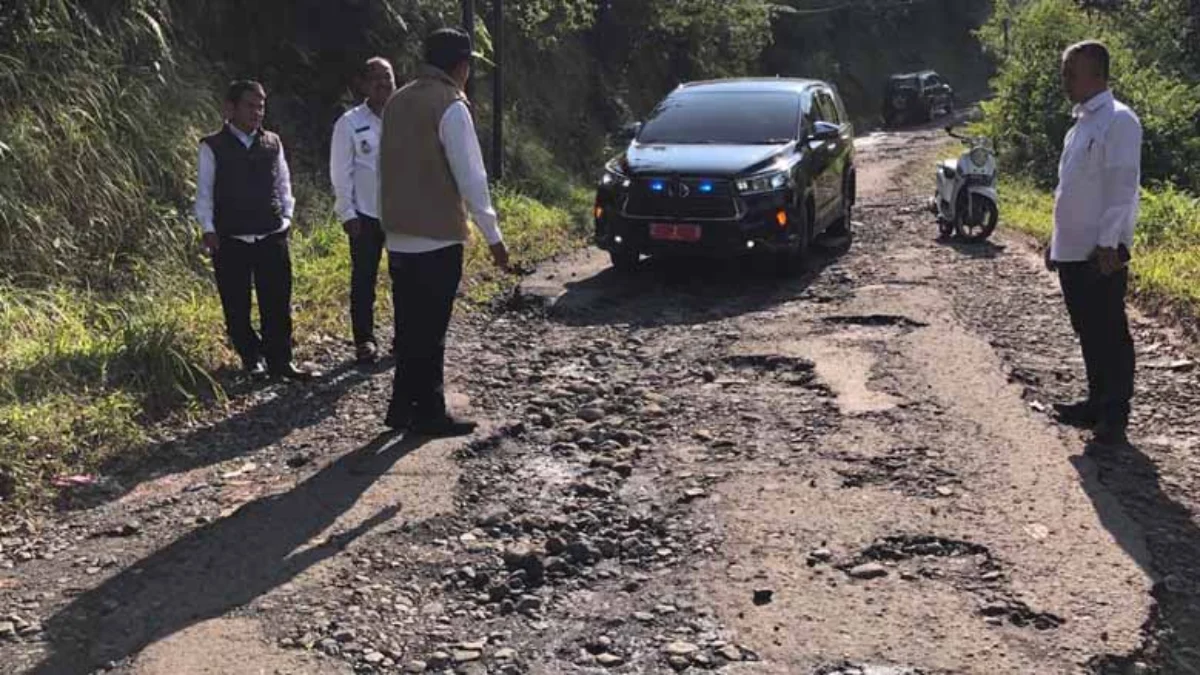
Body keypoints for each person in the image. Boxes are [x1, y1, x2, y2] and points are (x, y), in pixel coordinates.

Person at [379, 27, 509, 436]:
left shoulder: (397, 101)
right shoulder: (451, 105)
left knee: (409, 326)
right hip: (437, 234)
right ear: (461, 65)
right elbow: (472, 178)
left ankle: (401, 407)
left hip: (398, 232)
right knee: (431, 331)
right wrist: (493, 235)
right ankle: (430, 411)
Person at [1046, 40, 1142, 447]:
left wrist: (1108, 243)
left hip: (1098, 252)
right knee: (1087, 329)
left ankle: (1114, 414)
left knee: (1109, 330)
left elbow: (1122, 188)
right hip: (1072, 248)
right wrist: (1055, 241)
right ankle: (1096, 400)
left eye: (1072, 72)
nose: (1065, 80)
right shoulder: (1080, 125)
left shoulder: (1118, 121)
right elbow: (1068, 190)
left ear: (1097, 74)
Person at [195, 80, 313, 380]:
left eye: (260, 106)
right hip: (230, 237)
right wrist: (208, 228)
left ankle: (281, 360)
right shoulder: (212, 146)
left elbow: (283, 183)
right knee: (236, 304)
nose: (256, 112)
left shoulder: (272, 142)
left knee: (277, 301)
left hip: (271, 233)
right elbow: (205, 191)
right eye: (250, 105)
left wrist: (286, 217)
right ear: (230, 108)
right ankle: (251, 358)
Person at [331, 57, 397, 365]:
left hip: (402, 214)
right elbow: (340, 172)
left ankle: (404, 337)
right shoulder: (349, 123)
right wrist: (347, 212)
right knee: (364, 279)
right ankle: (364, 340)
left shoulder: (405, 117)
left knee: (407, 278)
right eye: (376, 78)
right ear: (363, 85)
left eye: (388, 77)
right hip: (365, 216)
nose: (384, 83)